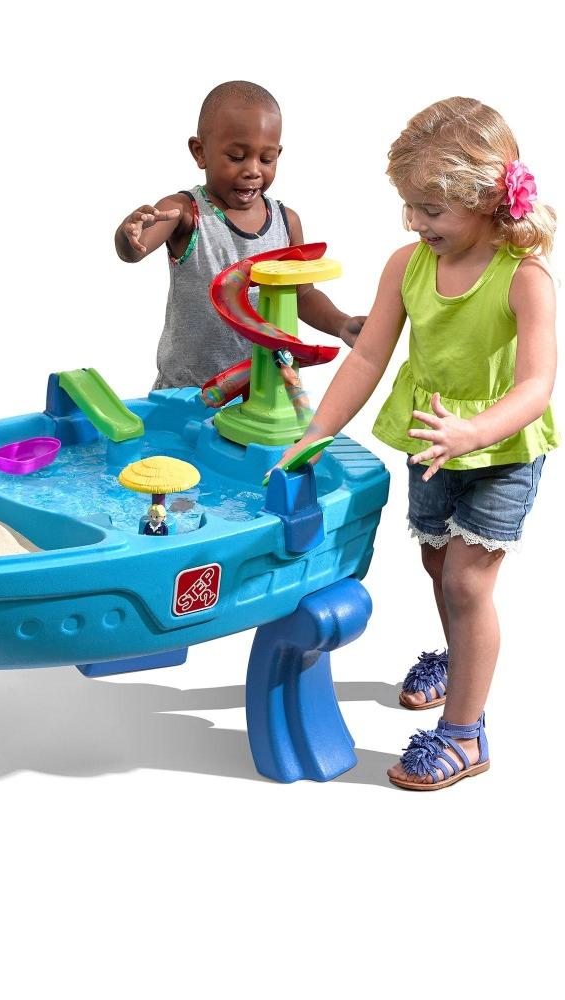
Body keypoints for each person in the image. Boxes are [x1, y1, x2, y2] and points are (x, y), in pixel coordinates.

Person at [276, 98, 558, 790]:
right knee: (437, 566)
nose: (414, 222)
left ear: (486, 199)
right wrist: (316, 433)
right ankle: (460, 659)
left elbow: (536, 385)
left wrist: (475, 432)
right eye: (408, 206)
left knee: (466, 581)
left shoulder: (523, 276)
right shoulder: (407, 265)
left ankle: (464, 733)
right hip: (430, 441)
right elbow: (369, 357)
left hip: (500, 452)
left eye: (431, 209)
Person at [113, 80, 365, 391]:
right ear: (200, 152)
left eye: (266, 159)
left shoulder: (286, 222)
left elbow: (302, 296)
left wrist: (341, 323)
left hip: (263, 393)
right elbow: (135, 250)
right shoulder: (186, 212)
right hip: (188, 394)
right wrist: (130, 233)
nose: (253, 170)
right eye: (236, 157)